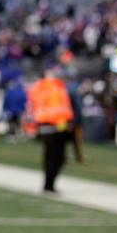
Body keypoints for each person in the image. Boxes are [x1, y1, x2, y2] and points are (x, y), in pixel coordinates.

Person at [28, 65, 74, 194]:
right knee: (57, 158)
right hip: (56, 127)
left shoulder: (37, 87)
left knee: (49, 157)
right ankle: (49, 185)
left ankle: (48, 184)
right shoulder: (55, 87)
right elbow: (60, 109)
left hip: (44, 126)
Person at [1, 78, 27, 143]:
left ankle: (11, 136)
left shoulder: (9, 92)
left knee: (11, 123)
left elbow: (5, 101)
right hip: (18, 110)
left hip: (10, 110)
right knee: (17, 123)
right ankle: (17, 135)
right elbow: (24, 101)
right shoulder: (21, 92)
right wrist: (23, 109)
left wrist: (4, 109)